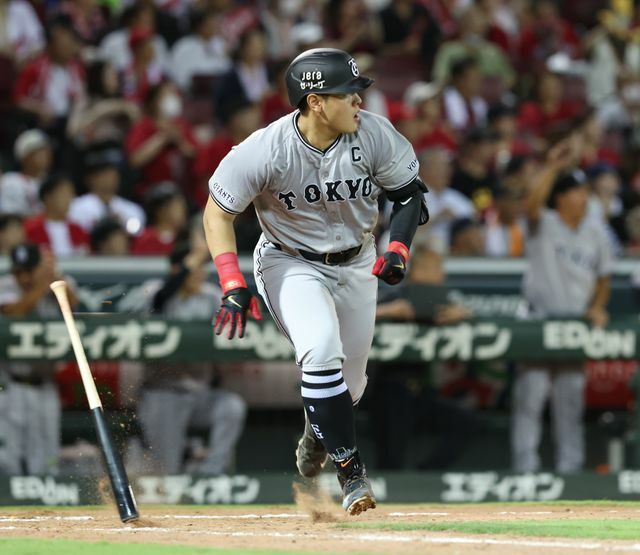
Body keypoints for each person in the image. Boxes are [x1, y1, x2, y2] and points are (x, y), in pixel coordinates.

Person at [202, 48, 428, 514]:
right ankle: (352, 475)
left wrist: (398, 249)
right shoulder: (265, 149)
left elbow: (409, 198)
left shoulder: (374, 134)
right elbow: (216, 213)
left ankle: (317, 428)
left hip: (357, 260)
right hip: (290, 261)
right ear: (316, 101)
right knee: (321, 350)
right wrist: (230, 282)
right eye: (348, 94)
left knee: (349, 388)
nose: (359, 101)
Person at [512, 138, 613, 474]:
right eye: (578, 192)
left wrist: (598, 307)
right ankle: (525, 471)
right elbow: (530, 204)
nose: (584, 197)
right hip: (539, 320)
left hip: (574, 324)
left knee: (570, 404)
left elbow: (604, 279)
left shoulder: (596, 230)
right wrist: (553, 166)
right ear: (562, 198)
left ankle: (571, 472)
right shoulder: (546, 222)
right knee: (531, 399)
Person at [136, 242, 246, 475]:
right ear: (176, 269)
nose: (200, 273)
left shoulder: (210, 296)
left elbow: (228, 329)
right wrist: (190, 261)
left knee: (231, 407)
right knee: (166, 470)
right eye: (194, 268)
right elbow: (160, 299)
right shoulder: (156, 290)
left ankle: (210, 474)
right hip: (163, 393)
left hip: (199, 394)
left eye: (201, 268)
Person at [373, 244, 477, 470]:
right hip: (387, 390)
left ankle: (426, 476)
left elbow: (474, 317)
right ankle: (389, 486)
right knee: (392, 456)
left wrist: (462, 314)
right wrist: (391, 311)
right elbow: (360, 315)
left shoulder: (438, 299)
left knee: (463, 422)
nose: (442, 274)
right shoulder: (395, 291)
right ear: (419, 270)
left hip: (422, 391)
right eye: (437, 268)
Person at [0, 243, 77, 475]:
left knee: (47, 457)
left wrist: (54, 280)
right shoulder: (5, 284)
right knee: (8, 457)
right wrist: (41, 286)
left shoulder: (58, 282)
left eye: (28, 270)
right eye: (18, 272)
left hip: (45, 384)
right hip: (10, 386)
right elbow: (13, 311)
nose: (23, 277)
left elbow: (76, 306)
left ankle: (47, 510)